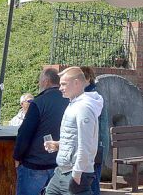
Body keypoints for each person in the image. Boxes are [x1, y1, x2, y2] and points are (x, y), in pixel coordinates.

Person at [43, 66, 103, 195]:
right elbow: (74, 138)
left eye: (64, 84)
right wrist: (59, 145)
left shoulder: (83, 108)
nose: (60, 88)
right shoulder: (73, 104)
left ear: (76, 83)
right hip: (62, 171)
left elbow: (86, 144)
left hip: (75, 172)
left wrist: (77, 172)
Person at [14, 68, 69, 195]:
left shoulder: (39, 102)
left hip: (35, 163)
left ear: (46, 81)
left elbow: (25, 133)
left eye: (40, 80)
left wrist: (17, 156)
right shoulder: (69, 101)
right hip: (59, 163)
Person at [80, 67, 109, 195]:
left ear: (87, 79)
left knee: (92, 184)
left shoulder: (91, 98)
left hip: (95, 147)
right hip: (98, 146)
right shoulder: (95, 95)